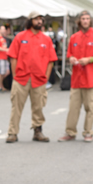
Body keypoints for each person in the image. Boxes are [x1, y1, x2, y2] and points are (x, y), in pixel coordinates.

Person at [5, 11, 58, 143]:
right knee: (16, 107)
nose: (39, 21)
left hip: (39, 79)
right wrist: (16, 75)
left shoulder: (46, 39)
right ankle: (12, 133)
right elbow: (13, 57)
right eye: (36, 19)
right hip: (21, 78)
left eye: (41, 19)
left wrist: (45, 77)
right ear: (30, 21)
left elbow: (51, 60)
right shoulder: (20, 37)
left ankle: (38, 132)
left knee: (38, 107)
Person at [58, 10, 93, 143]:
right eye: (83, 18)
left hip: (91, 78)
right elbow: (69, 55)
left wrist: (89, 60)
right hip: (77, 79)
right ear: (80, 21)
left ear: (90, 21)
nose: (85, 21)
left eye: (87, 18)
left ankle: (88, 132)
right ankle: (70, 132)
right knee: (73, 107)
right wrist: (72, 59)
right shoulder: (74, 37)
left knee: (90, 107)